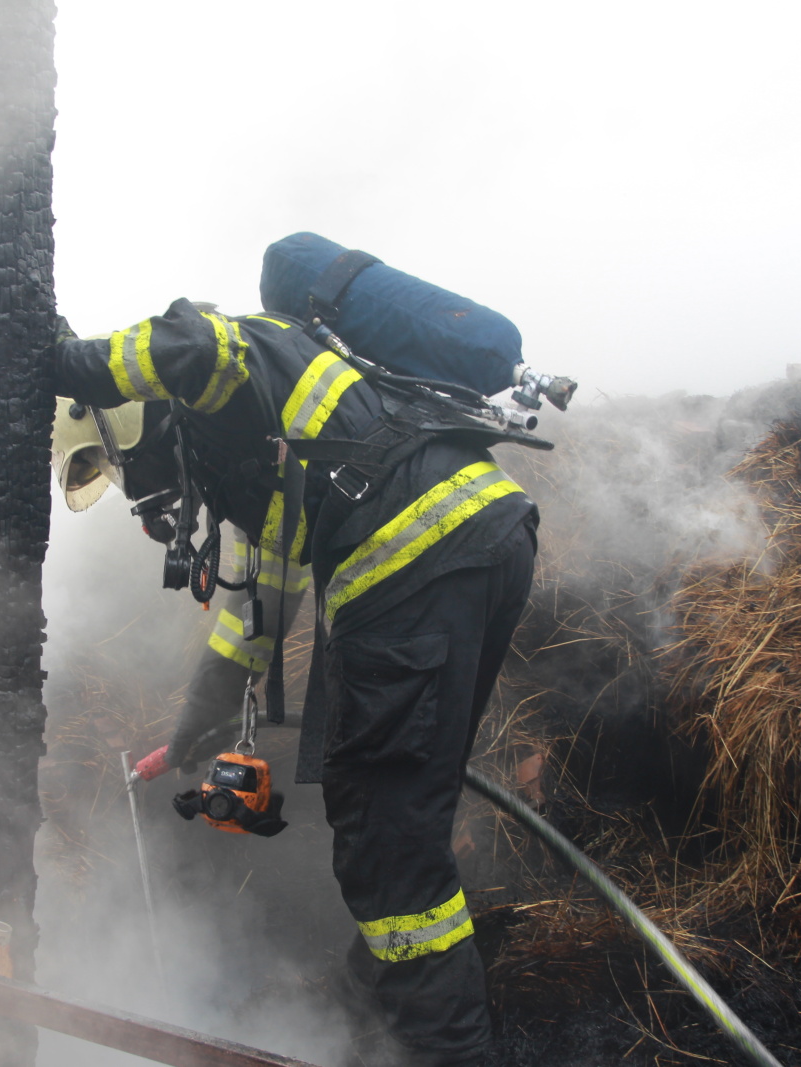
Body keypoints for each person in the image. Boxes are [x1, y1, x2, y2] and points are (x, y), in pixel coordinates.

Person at [52, 298, 538, 1066]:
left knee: (383, 837)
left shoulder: (222, 361)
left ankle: (452, 1049)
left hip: (409, 555)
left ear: (125, 416)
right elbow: (254, 618)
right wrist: (189, 736)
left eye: (117, 467)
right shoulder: (254, 455)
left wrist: (62, 362)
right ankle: (365, 994)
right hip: (487, 534)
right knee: (408, 808)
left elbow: (193, 343)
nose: (136, 492)